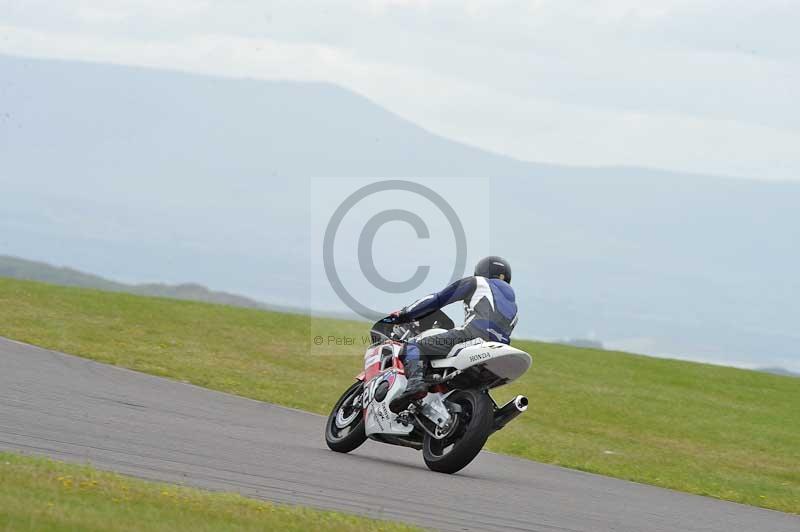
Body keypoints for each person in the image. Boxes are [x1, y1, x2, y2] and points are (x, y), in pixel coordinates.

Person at [386, 256, 518, 413]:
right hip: (499, 349)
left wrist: (405, 313)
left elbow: (438, 299)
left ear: (481, 271)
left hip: (472, 336)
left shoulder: (477, 282)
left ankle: (415, 383)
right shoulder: (514, 306)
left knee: (414, 345)